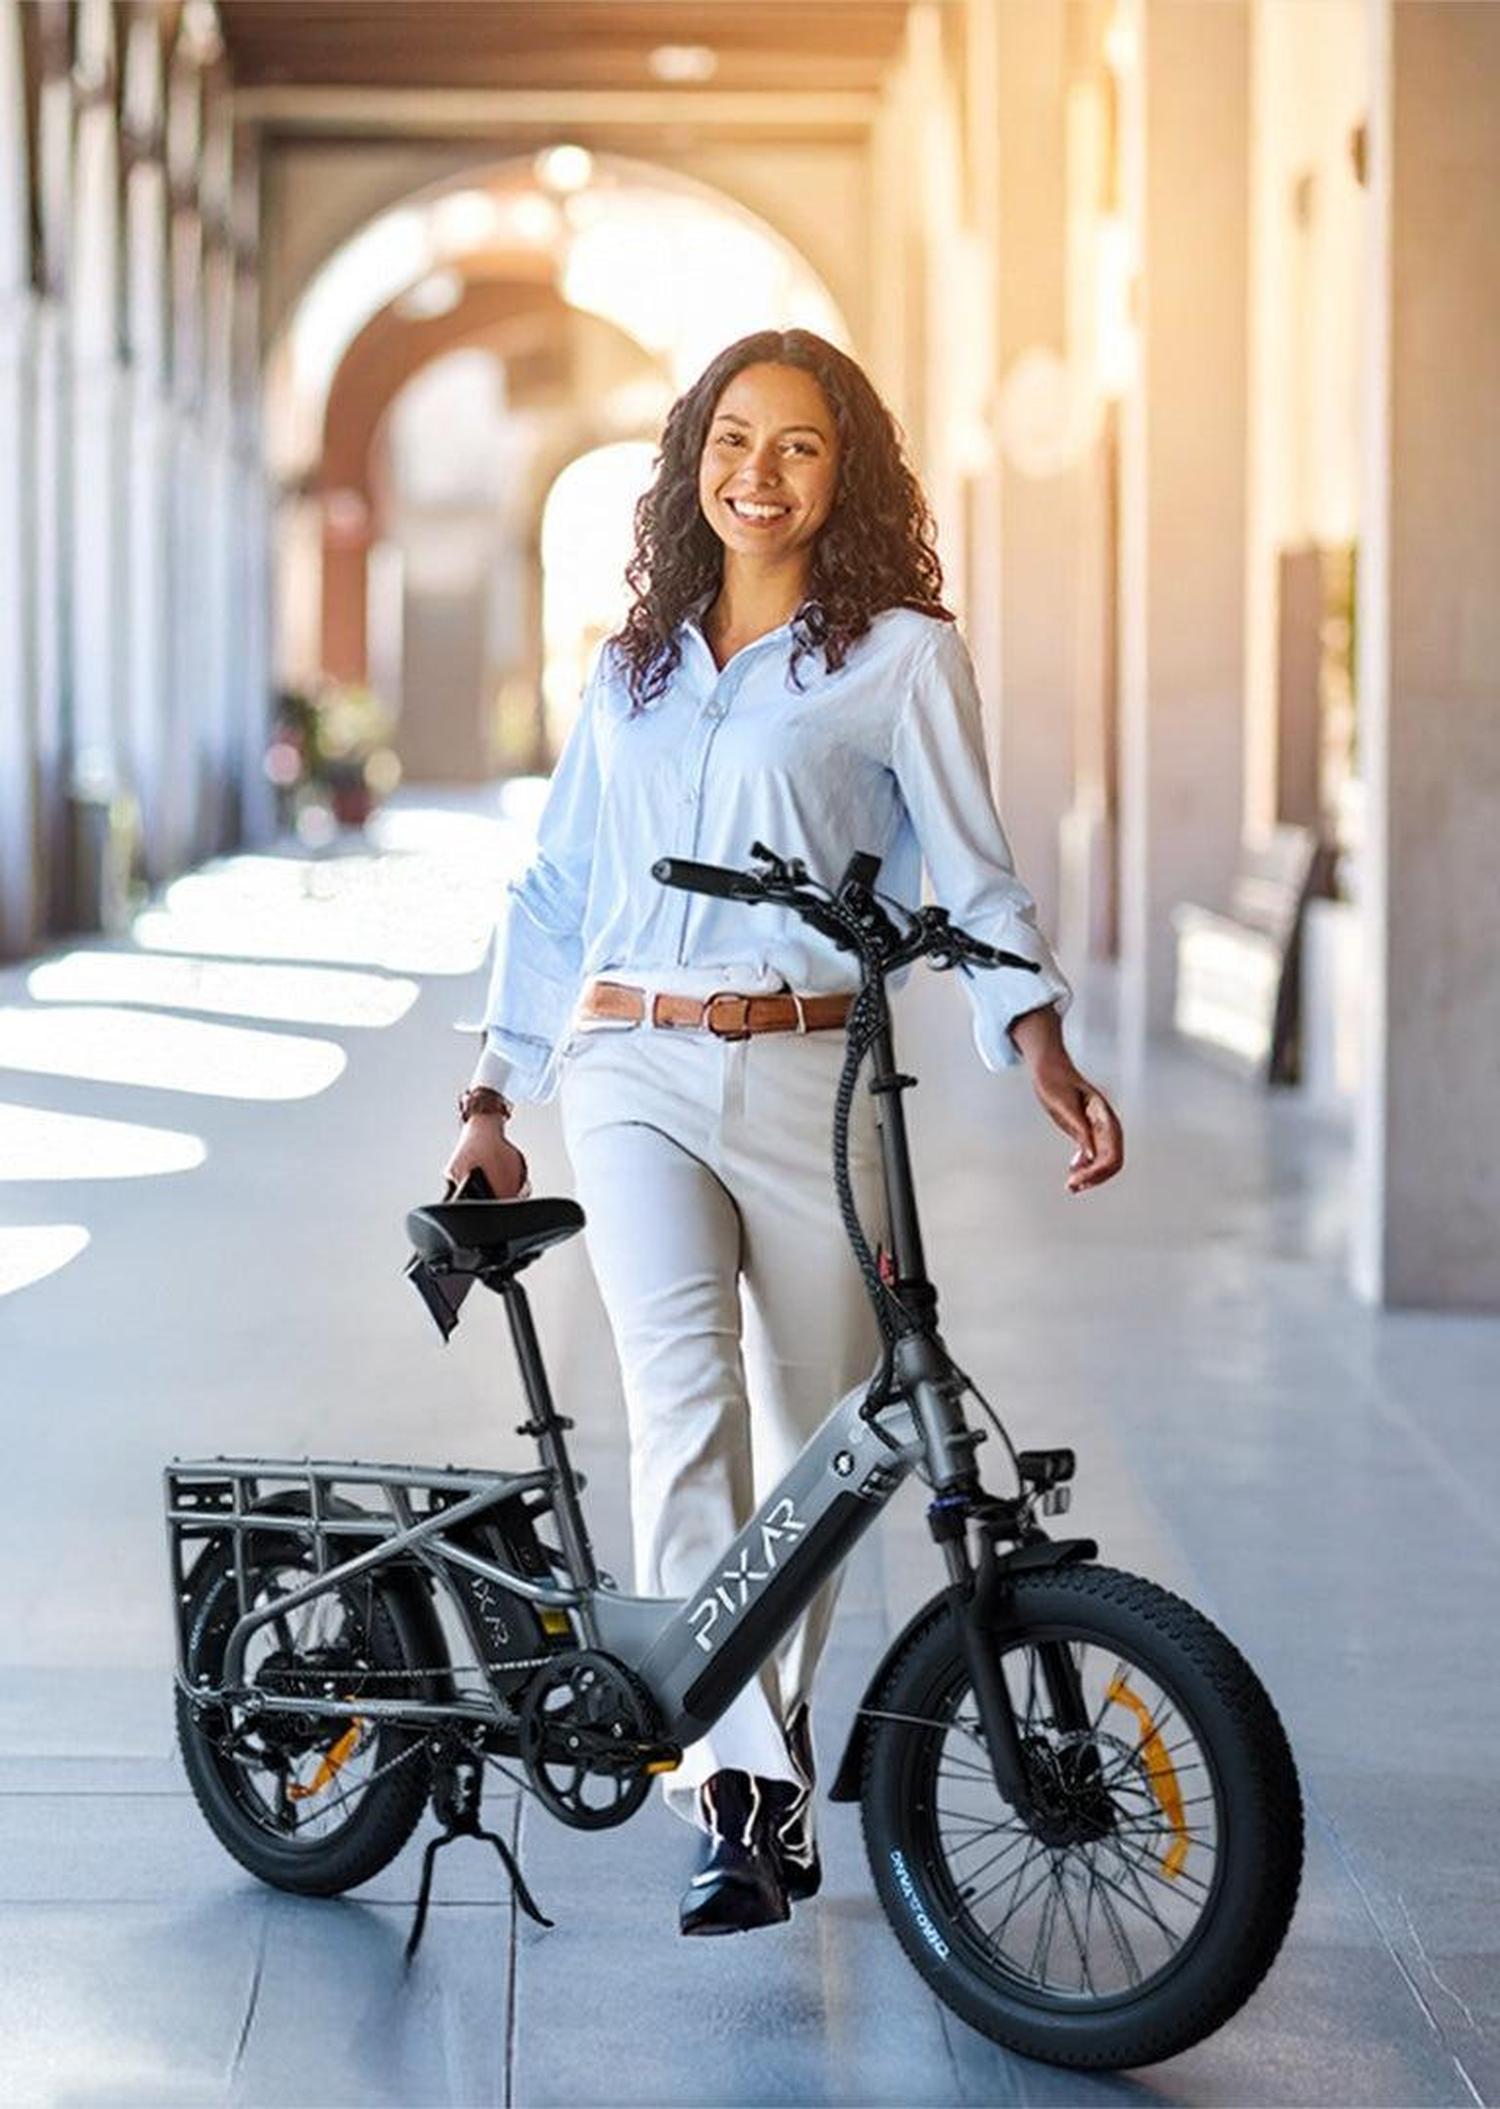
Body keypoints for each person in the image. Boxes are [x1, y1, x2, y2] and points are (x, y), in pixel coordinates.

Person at [444, 328, 1124, 1937]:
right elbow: (556, 889)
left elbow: (974, 866)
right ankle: (741, 1793)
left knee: (826, 1443)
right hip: (632, 1071)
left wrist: (1038, 1040)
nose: (759, 471)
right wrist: (492, 1094)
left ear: (849, 471)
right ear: (692, 460)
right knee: (684, 1415)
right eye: (732, 439)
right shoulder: (633, 666)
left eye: (799, 444)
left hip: (823, 1077)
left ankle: (764, 1725)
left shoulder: (899, 657)